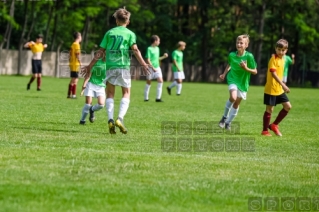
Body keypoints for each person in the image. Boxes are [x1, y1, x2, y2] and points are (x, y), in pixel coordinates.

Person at [81, 7, 149, 134]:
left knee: (110, 94)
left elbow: (100, 52)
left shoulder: (109, 33)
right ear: (127, 22)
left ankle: (111, 119)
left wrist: (89, 66)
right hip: (123, 66)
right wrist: (144, 64)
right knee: (126, 93)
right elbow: (135, 50)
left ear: (117, 21)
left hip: (110, 66)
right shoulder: (130, 34)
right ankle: (120, 119)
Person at [218, 34, 257, 130]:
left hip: (243, 83)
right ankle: (224, 117)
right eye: (237, 42)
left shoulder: (249, 56)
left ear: (246, 45)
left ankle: (228, 122)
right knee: (233, 97)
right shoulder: (232, 55)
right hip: (233, 79)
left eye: (241, 43)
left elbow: (255, 71)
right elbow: (229, 64)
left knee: (236, 104)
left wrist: (246, 68)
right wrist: (224, 74)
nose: (239, 44)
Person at [262, 39, 292, 136]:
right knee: (269, 110)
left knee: (288, 107)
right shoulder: (273, 59)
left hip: (279, 89)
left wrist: (282, 85)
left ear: (286, 50)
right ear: (275, 49)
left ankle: (274, 125)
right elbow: (274, 74)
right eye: (279, 49)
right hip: (271, 89)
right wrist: (284, 85)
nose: (280, 52)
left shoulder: (283, 60)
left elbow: (280, 74)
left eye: (283, 50)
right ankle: (265, 131)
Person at [79, 58, 106, 125]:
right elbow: (88, 75)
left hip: (101, 86)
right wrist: (83, 87)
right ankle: (82, 120)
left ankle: (92, 110)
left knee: (101, 104)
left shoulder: (111, 65)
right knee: (88, 104)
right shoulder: (96, 62)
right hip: (91, 84)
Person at [144, 35, 168, 102]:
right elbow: (148, 59)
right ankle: (146, 98)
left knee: (160, 81)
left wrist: (163, 56)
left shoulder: (158, 49)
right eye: (159, 41)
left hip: (157, 67)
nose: (159, 42)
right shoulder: (149, 49)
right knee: (149, 82)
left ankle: (158, 98)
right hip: (150, 68)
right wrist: (152, 67)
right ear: (155, 41)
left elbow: (157, 59)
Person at [67, 32, 82, 99]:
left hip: (72, 64)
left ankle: (69, 94)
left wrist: (70, 61)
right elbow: (77, 54)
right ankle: (73, 94)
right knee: (75, 79)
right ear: (78, 37)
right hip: (75, 64)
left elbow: (70, 54)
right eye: (81, 36)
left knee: (73, 79)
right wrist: (80, 62)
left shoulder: (73, 44)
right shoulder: (77, 45)